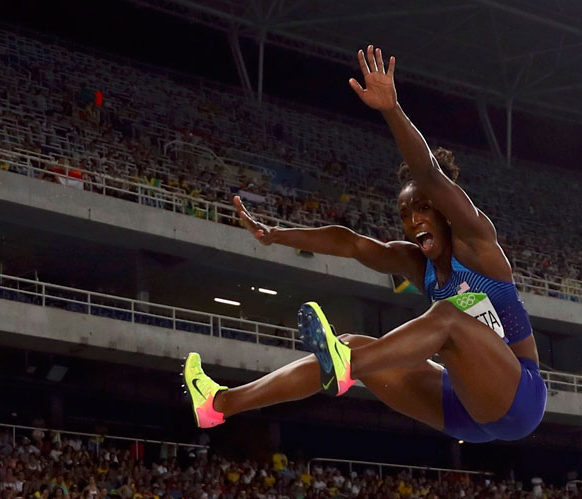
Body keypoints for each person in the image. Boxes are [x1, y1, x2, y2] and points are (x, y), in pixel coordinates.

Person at [185, 46, 545, 446]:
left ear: (444, 210)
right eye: (405, 214)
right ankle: (219, 404)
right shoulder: (416, 263)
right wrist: (277, 233)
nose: (413, 221)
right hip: (462, 409)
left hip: (519, 401)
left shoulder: (479, 244)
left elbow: (426, 170)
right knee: (348, 344)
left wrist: (391, 110)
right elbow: (351, 243)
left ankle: (346, 366)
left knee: (447, 316)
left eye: (423, 208)